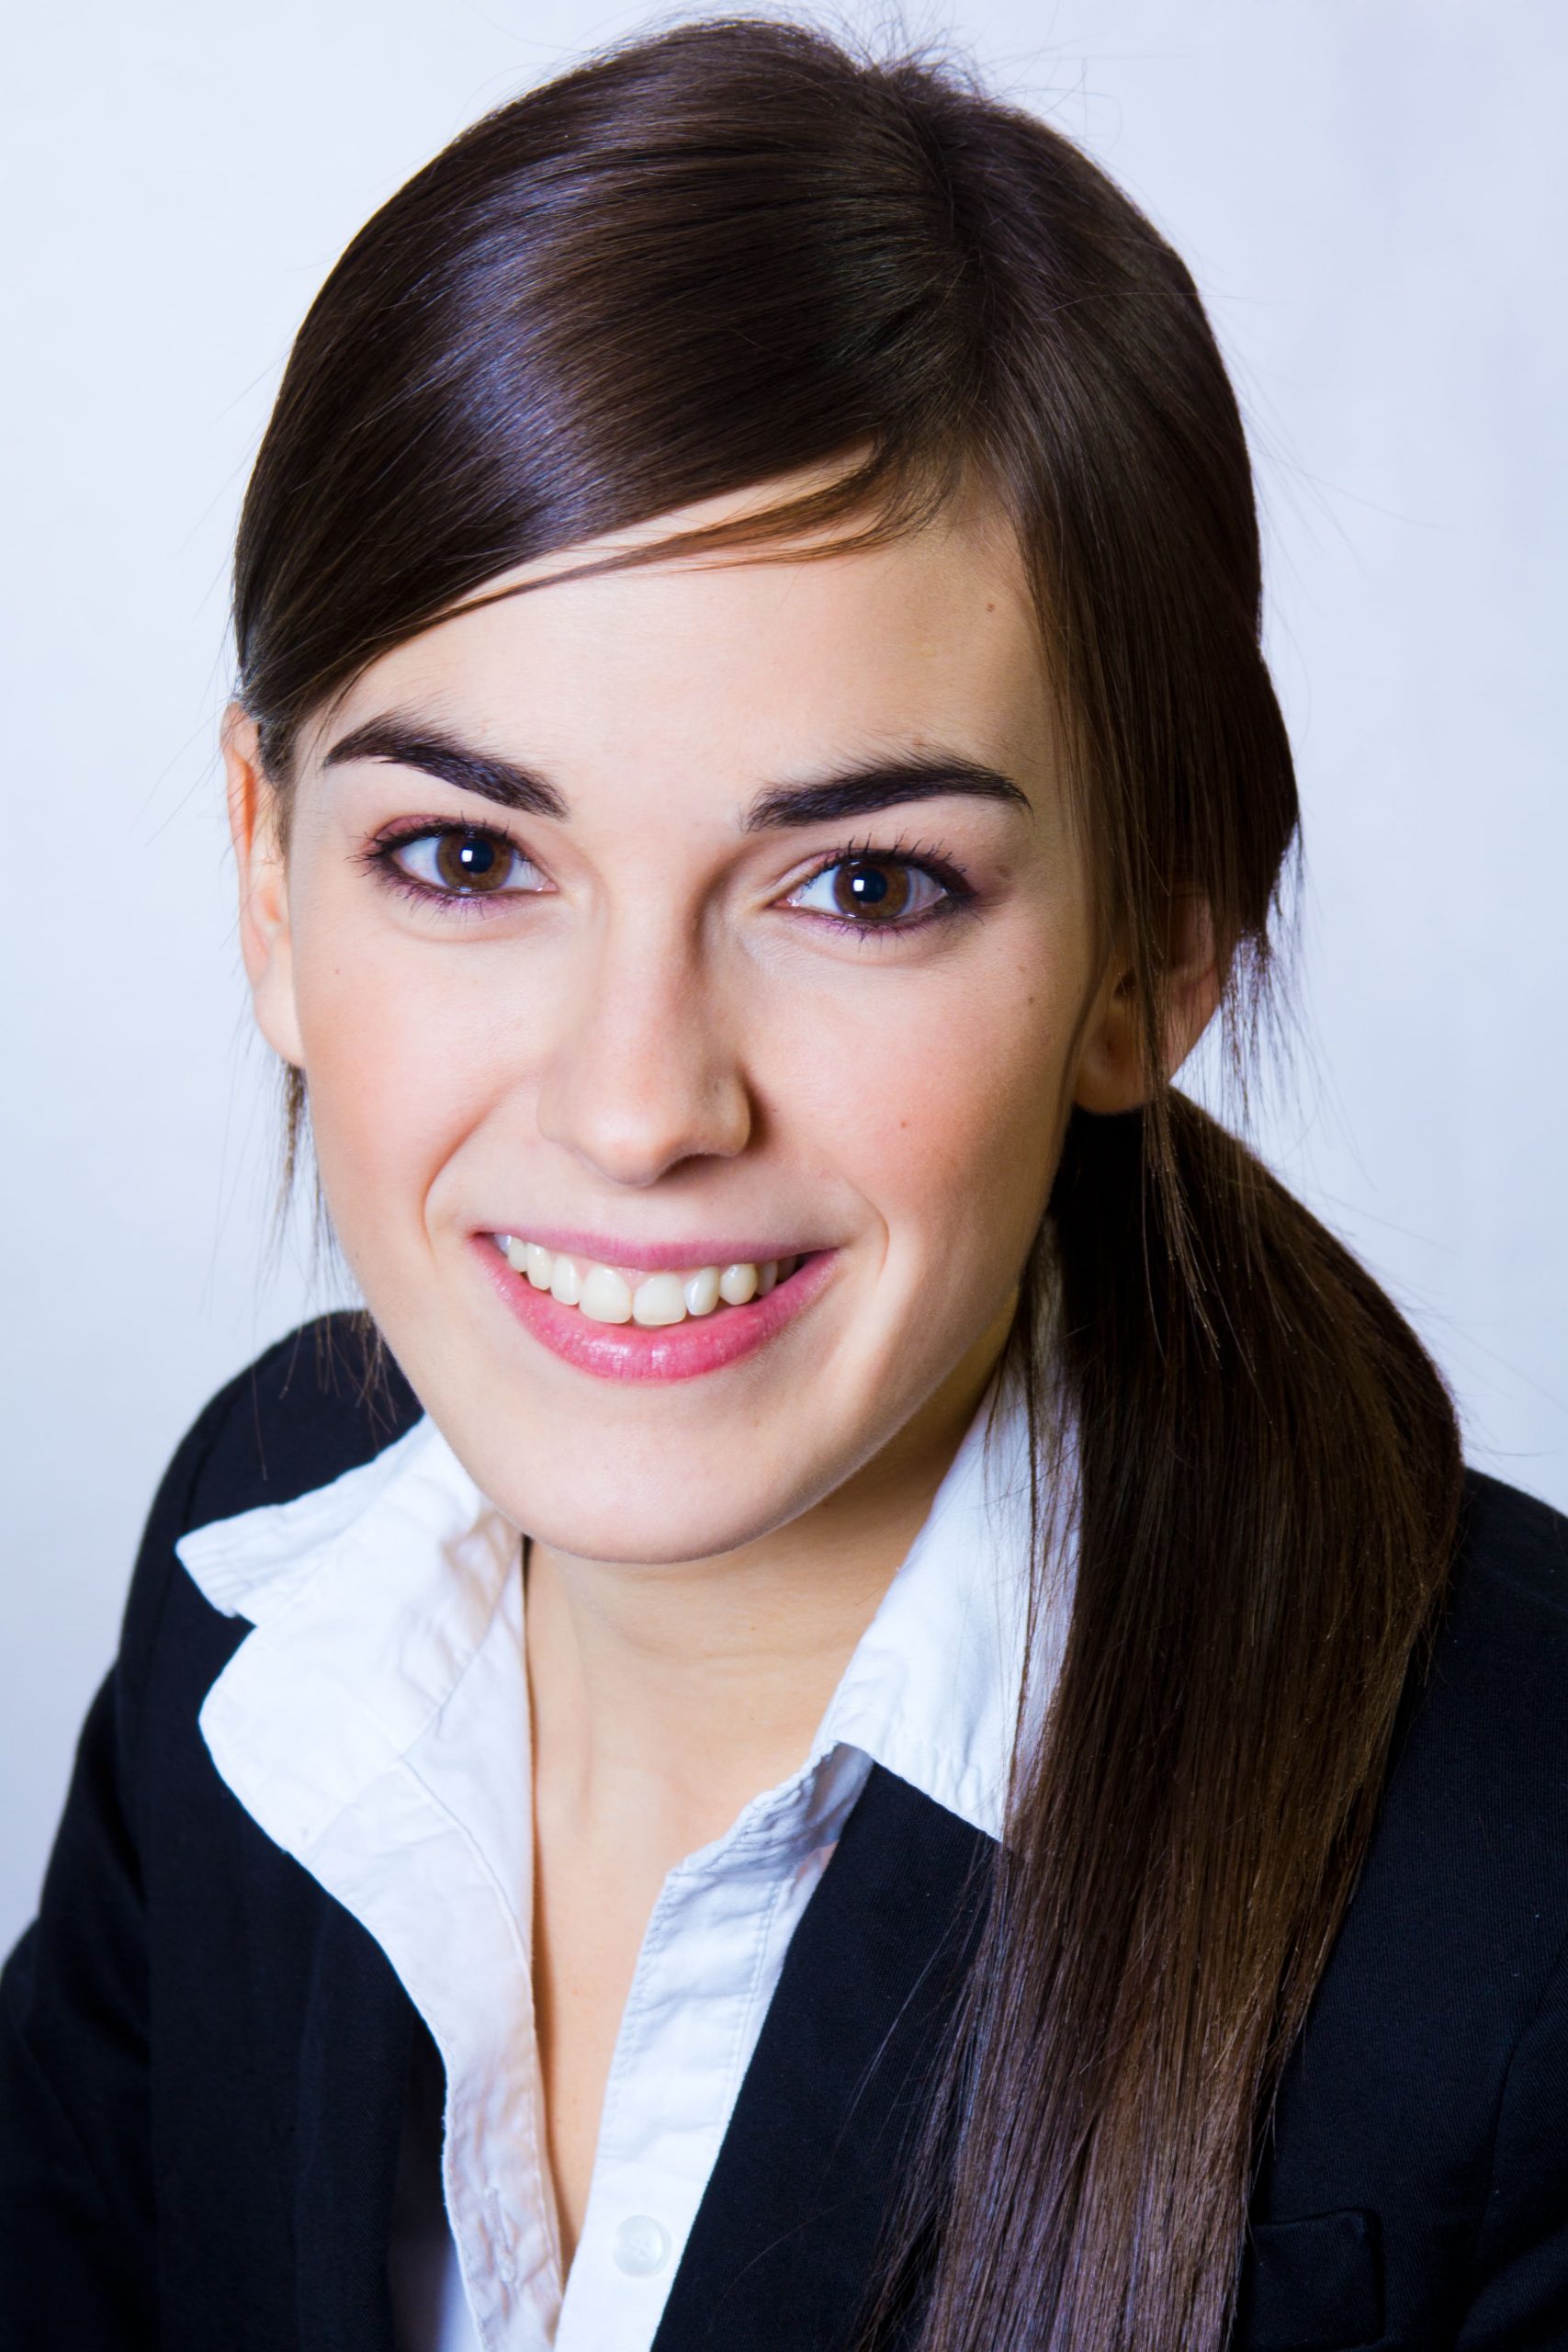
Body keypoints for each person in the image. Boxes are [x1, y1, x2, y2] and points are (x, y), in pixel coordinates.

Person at [3, 18, 1564, 2352]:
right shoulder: (263, 1548)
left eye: (860, 888)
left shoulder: (1525, 1896)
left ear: (1154, 947)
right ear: (265, 882)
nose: (640, 1104)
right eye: (460, 853)